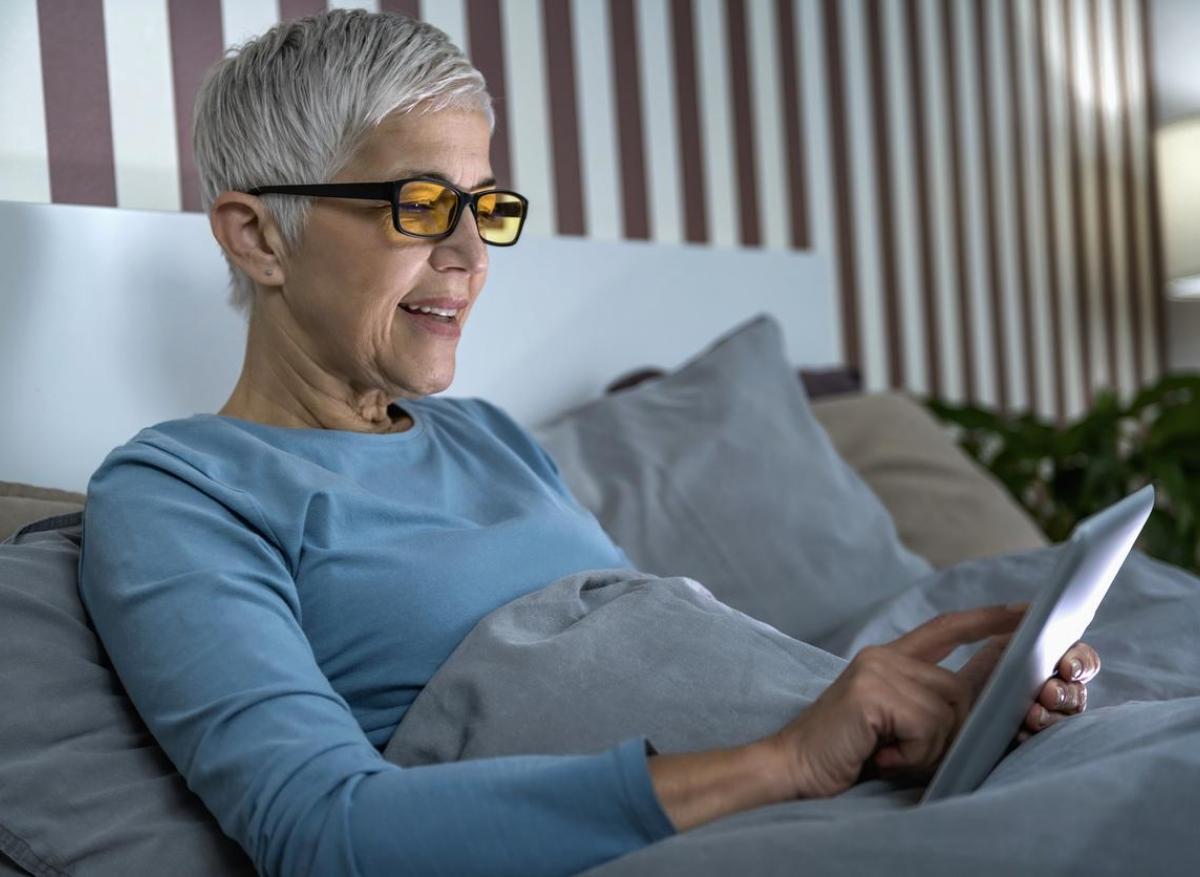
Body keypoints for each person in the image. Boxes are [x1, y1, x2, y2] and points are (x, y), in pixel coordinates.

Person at [77, 10, 1098, 877]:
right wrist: (789, 756)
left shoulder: (485, 437)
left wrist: (929, 714)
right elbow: (323, 830)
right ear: (258, 235)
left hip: (835, 792)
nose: (473, 255)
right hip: (753, 822)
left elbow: (662, 667)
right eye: (422, 204)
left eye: (485, 207)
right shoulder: (183, 490)